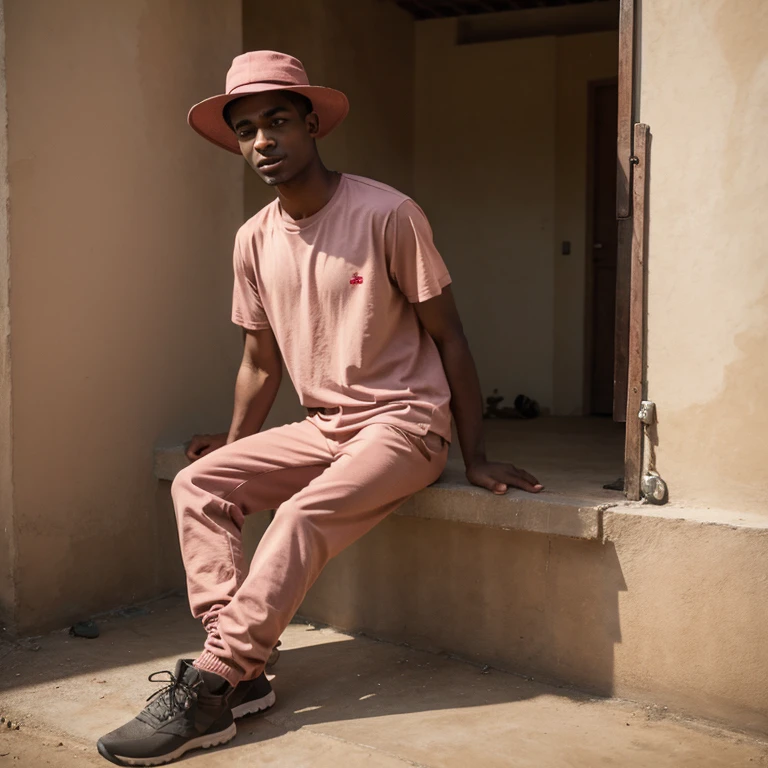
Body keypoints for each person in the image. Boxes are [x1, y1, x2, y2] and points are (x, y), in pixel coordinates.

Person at [97, 50, 542, 767]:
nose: (263, 142)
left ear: (312, 123)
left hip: (405, 426)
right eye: (246, 131)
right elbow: (259, 362)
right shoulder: (252, 239)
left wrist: (475, 454)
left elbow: (450, 337)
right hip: (322, 426)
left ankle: (211, 682)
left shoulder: (386, 213)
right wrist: (236, 448)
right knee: (198, 485)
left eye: (277, 121)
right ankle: (240, 673)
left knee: (303, 513)